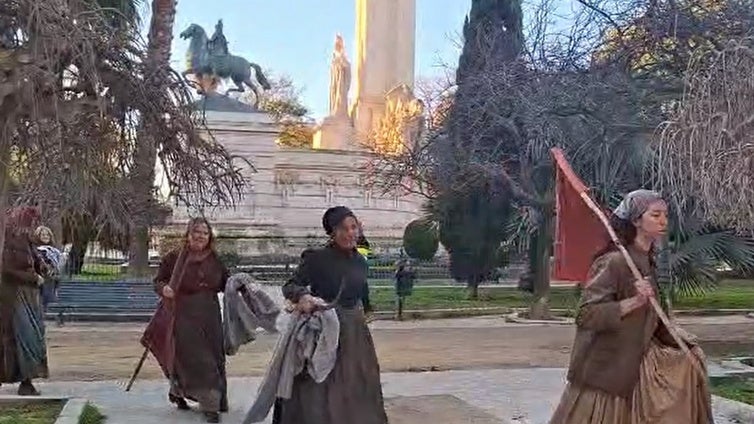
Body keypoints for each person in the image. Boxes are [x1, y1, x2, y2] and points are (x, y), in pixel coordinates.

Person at [550, 190, 713, 424]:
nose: (663, 221)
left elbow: (655, 317)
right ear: (636, 220)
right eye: (655, 215)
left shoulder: (648, 261)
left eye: (665, 215)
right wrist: (634, 301)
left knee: (688, 364)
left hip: (638, 361)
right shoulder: (614, 261)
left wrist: (683, 343)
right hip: (608, 370)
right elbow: (587, 315)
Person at [273, 206, 388, 424]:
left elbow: (362, 290)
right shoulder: (317, 259)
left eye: (354, 227)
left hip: (354, 332)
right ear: (333, 233)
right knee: (319, 385)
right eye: (343, 228)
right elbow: (290, 285)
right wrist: (303, 296)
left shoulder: (361, 263)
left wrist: (368, 309)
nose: (350, 233)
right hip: (324, 330)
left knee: (356, 383)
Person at [152, 218, 230, 423]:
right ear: (188, 234)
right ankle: (210, 405)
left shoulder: (214, 258)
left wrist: (240, 286)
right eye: (196, 231)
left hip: (210, 314)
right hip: (184, 313)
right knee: (197, 360)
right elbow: (158, 281)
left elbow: (225, 282)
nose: (200, 236)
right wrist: (165, 289)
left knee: (214, 358)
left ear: (209, 236)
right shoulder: (174, 258)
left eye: (205, 233)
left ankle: (178, 391)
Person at [0, 207, 49, 395]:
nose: (35, 226)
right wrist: (33, 278)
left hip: (28, 297)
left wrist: (42, 267)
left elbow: (34, 262)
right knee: (22, 337)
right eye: (32, 222)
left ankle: (26, 381)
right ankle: (25, 381)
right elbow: (7, 269)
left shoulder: (27, 241)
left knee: (29, 337)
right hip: (14, 297)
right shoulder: (10, 240)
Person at [32, 226, 62, 313]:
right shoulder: (36, 250)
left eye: (47, 235)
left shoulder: (54, 251)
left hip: (52, 282)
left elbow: (58, 267)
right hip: (40, 281)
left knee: (48, 306)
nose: (45, 237)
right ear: (38, 236)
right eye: (43, 235)